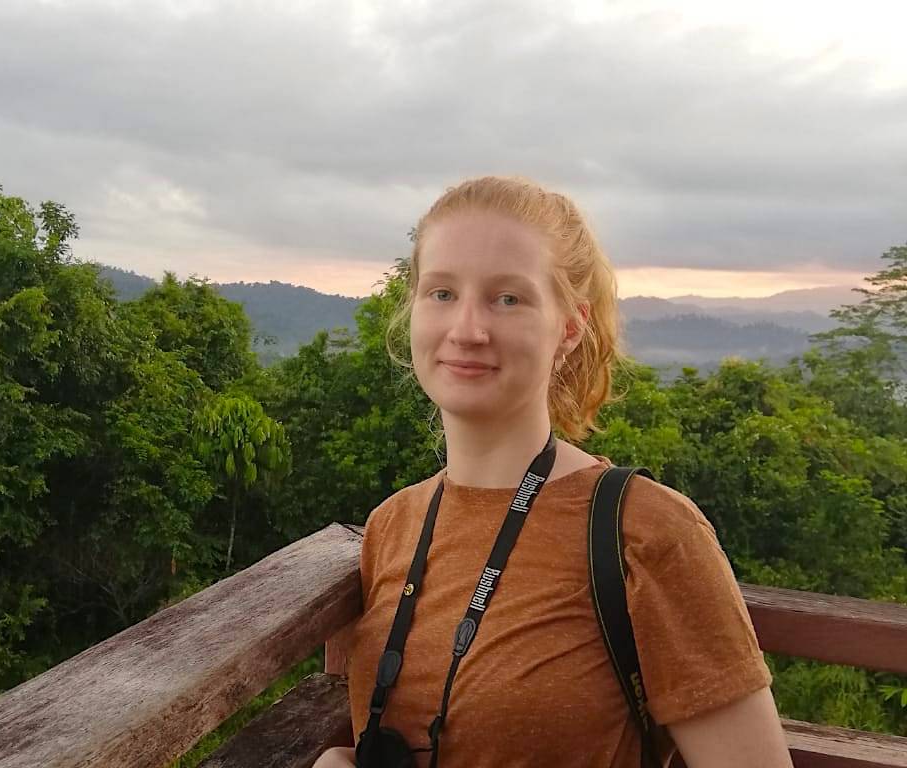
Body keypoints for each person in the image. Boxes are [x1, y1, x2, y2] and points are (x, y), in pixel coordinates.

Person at [312, 177, 792, 768]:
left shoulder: (645, 532)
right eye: (441, 293)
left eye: (507, 298)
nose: (466, 329)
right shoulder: (394, 525)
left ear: (569, 328)